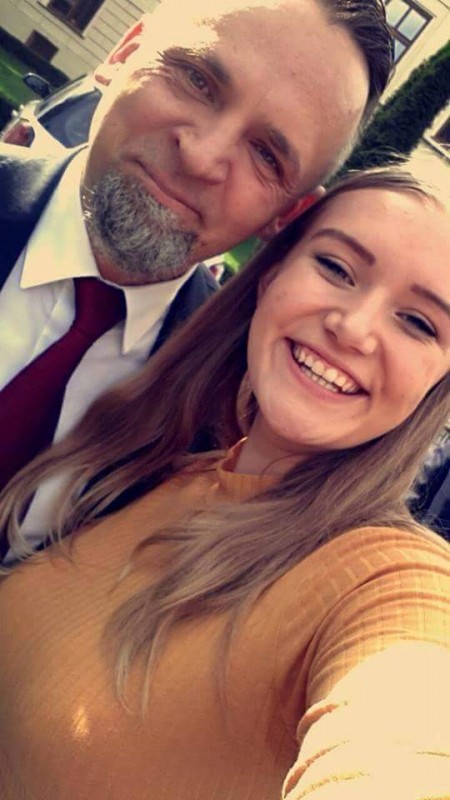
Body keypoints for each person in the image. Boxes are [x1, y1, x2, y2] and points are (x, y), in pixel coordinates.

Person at [0, 167, 449, 799]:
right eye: (336, 267)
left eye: (420, 323)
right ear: (272, 274)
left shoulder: (391, 580)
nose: (353, 328)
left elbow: (406, 732)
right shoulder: (171, 472)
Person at [0, 0, 393, 548]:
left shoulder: (226, 420)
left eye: (266, 156)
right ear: (124, 52)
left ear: (286, 217)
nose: (201, 157)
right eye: (196, 80)